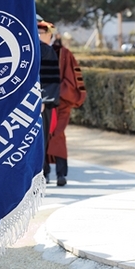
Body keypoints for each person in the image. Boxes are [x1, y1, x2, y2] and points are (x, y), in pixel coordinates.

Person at [43, 20, 87, 186]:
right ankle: (44, 173)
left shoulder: (63, 53)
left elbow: (72, 78)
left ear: (50, 34)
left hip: (61, 102)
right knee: (42, 137)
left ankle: (61, 174)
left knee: (58, 135)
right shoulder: (35, 50)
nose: (39, 36)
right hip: (42, 102)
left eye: (42, 33)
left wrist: (58, 93)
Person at [37, 20, 60, 184]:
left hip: (39, 104)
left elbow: (50, 77)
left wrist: (43, 99)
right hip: (21, 103)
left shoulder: (46, 50)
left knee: (40, 138)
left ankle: (40, 173)